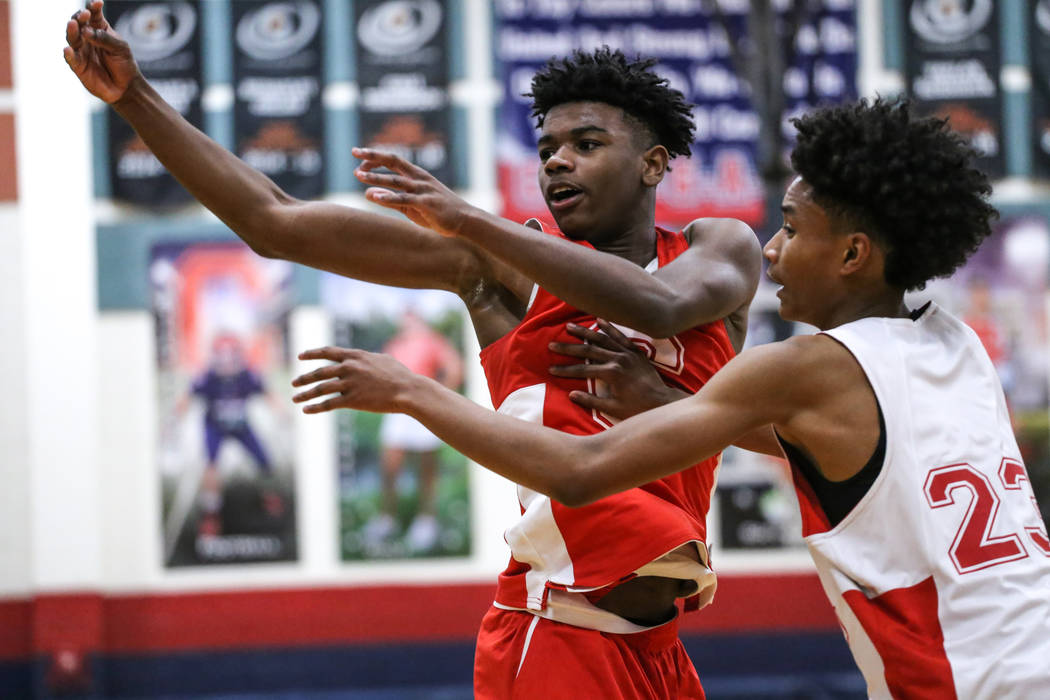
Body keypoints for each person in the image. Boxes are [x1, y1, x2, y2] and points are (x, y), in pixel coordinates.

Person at [65, 4, 762, 697]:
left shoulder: (714, 249)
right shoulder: (497, 268)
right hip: (559, 632)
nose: (557, 160)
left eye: (585, 143)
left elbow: (657, 306)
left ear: (653, 163)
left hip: (660, 648)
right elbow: (274, 221)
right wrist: (136, 98)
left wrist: (471, 218)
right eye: (547, 146)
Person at [291, 98, 1050, 698]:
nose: (774, 250)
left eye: (789, 228)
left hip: (966, 678)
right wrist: (661, 399)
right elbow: (849, 444)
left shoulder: (799, 366)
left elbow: (582, 471)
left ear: (853, 253)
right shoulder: (956, 347)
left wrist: (413, 392)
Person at [368, 309, 464, 553]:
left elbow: (454, 368)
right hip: (397, 409)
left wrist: (440, 396)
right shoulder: (396, 344)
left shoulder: (433, 341)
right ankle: (387, 518)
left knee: (426, 469)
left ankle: (426, 520)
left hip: (423, 408)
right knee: (389, 466)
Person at [171, 332, 285, 536]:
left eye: (231, 356)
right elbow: (187, 397)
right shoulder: (208, 378)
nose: (227, 363)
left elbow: (268, 393)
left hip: (242, 427)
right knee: (211, 468)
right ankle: (211, 513)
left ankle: (270, 497)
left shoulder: (247, 375)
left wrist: (282, 411)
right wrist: (174, 419)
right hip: (215, 427)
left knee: (264, 462)